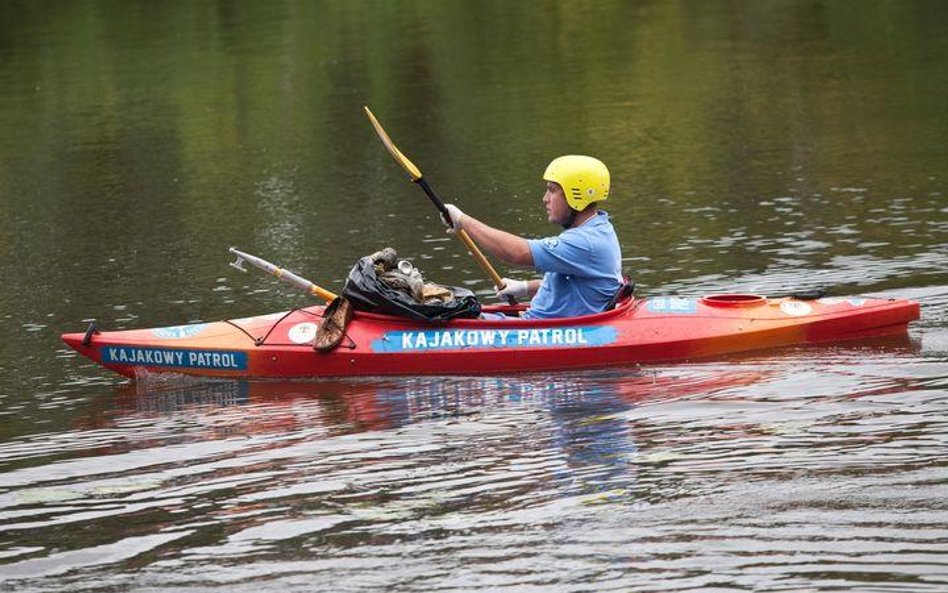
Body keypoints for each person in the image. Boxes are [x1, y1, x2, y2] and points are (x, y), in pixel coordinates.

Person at [442, 155, 623, 319]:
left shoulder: (586, 242)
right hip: (536, 324)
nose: (545, 199)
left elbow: (517, 253)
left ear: (576, 195)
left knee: (442, 315)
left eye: (551, 190)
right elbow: (576, 284)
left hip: (539, 330)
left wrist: (462, 220)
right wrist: (525, 287)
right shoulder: (599, 228)